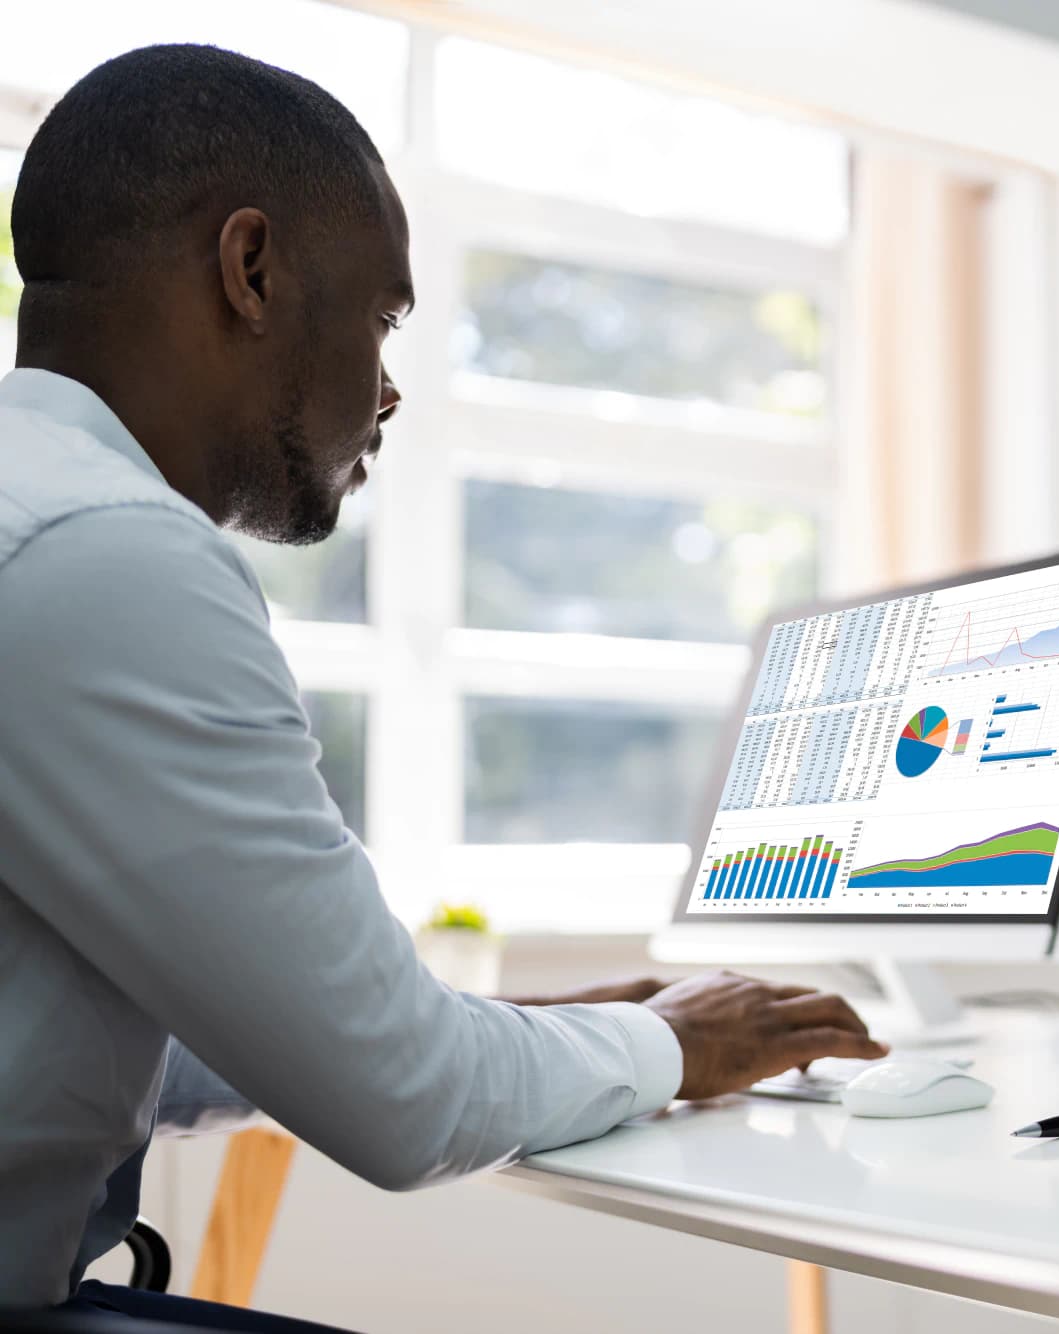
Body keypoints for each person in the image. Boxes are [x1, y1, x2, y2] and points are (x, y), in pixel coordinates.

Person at [0, 44, 886, 1328]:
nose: (393, 384)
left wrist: (486, 1021)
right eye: (384, 315)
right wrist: (676, 1044)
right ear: (250, 270)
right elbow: (406, 1100)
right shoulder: (108, 551)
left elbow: (125, 1034)